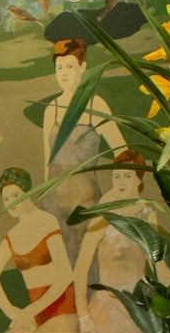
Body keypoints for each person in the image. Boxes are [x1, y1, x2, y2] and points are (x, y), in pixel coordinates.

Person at [74, 151, 170, 333]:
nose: (121, 182)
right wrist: (84, 317)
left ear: (138, 179)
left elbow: (158, 267)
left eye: (127, 176)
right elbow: (80, 270)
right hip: (106, 309)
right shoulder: (103, 216)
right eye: (117, 176)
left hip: (140, 308)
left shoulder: (148, 215)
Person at [41, 37, 123, 259]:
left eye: (70, 66)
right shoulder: (51, 109)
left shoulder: (96, 105)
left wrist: (119, 192)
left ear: (83, 67)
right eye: (59, 68)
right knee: (59, 263)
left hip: (86, 203)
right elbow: (47, 162)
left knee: (88, 261)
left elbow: (122, 152)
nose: (64, 73)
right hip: (55, 204)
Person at [0, 165, 78, 333]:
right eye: (6, 199)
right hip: (33, 314)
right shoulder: (12, 235)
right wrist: (12, 312)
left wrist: (28, 311)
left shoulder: (47, 221)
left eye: (15, 195)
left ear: (27, 193)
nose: (11, 203)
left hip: (62, 306)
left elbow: (65, 275)